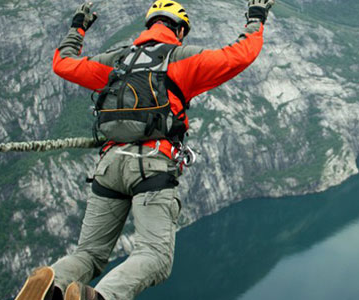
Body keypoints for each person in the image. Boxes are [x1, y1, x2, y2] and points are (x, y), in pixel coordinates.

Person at [14, 0, 274, 299]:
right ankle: (100, 298)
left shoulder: (116, 61)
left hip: (109, 167)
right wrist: (255, 19)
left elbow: (63, 64)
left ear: (149, 26)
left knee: (89, 254)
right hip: (152, 167)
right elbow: (239, 56)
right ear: (179, 30)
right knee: (154, 257)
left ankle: (51, 285)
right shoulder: (181, 58)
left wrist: (78, 28)